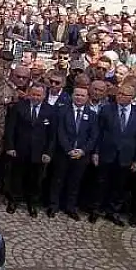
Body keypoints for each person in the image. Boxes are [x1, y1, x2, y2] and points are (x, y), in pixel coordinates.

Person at [92, 80, 136, 225]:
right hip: (106, 153)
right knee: (101, 183)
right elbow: (98, 132)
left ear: (132, 97)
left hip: (126, 156)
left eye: (125, 94)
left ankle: (113, 211)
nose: (120, 96)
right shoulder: (106, 109)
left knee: (119, 186)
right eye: (119, 93)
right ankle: (96, 209)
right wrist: (96, 152)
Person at [3, 83, 55, 216]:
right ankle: (13, 200)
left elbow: (52, 135)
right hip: (20, 149)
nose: (36, 97)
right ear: (29, 94)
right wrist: (10, 146)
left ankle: (32, 203)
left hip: (39, 152)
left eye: (39, 95)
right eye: (33, 94)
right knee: (16, 176)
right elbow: (10, 128)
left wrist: (48, 152)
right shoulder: (19, 107)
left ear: (44, 96)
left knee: (35, 179)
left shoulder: (50, 110)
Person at [49, 86, 97, 219]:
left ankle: (70, 207)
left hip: (82, 155)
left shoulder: (92, 114)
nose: (79, 98)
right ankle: (53, 205)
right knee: (58, 180)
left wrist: (83, 151)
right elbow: (60, 132)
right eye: (77, 95)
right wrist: (68, 149)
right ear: (72, 96)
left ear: (87, 97)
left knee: (75, 182)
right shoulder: (62, 111)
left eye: (82, 95)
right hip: (63, 153)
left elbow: (93, 136)